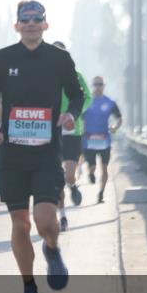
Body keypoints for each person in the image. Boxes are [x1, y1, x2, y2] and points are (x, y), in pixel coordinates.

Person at [0, 0, 84, 293]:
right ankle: (29, 290)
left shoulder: (59, 58)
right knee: (21, 224)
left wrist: (71, 114)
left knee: (45, 220)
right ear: (17, 25)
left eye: (37, 19)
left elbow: (77, 94)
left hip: (46, 154)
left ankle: (51, 248)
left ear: (45, 25)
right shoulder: (2, 59)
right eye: (25, 19)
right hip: (11, 155)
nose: (30, 23)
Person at [51, 41, 92, 231]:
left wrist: (73, 115)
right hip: (51, 130)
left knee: (69, 175)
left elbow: (87, 98)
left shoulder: (76, 75)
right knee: (57, 177)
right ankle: (62, 216)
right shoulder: (44, 75)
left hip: (72, 130)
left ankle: (73, 186)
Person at [83, 76, 123, 204]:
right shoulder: (86, 101)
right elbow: (79, 117)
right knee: (92, 166)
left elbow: (119, 118)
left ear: (104, 86)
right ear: (92, 86)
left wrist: (115, 127)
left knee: (105, 168)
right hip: (89, 140)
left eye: (100, 84)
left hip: (104, 140)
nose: (98, 87)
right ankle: (90, 173)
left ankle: (101, 193)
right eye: (96, 84)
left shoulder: (110, 102)